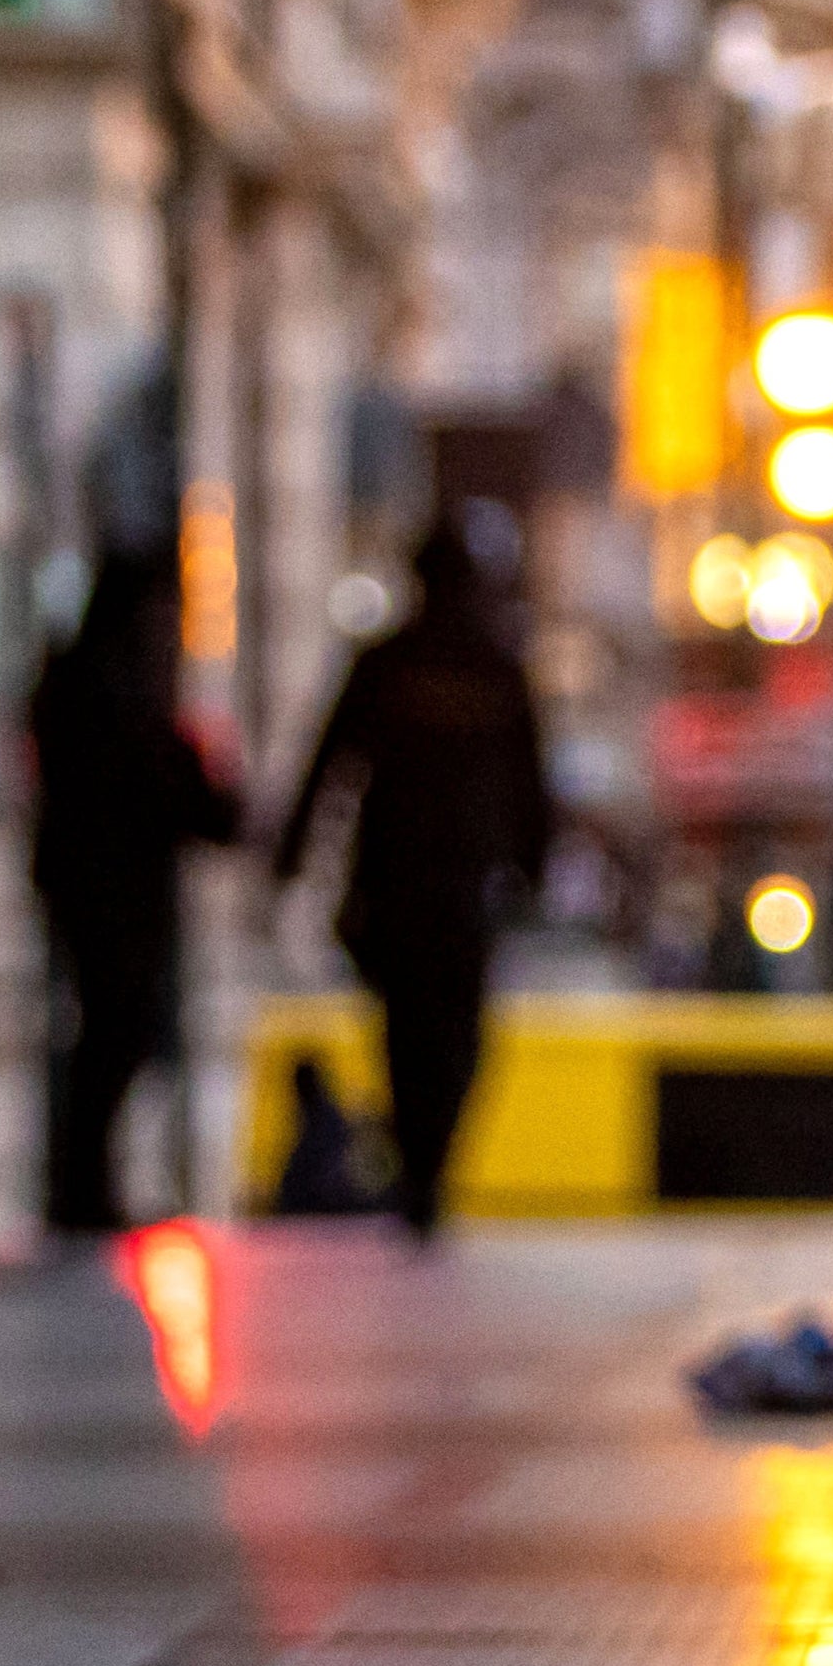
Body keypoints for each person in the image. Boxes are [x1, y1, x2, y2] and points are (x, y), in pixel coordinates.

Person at [271, 499, 556, 1241]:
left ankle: (422, 1166)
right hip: (444, 889)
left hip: (405, 887)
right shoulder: (490, 667)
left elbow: (327, 765)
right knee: (450, 1036)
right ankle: (426, 1168)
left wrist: (294, 855)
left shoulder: (396, 663)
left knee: (411, 1035)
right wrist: (531, 869)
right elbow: (531, 787)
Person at [26, 543, 243, 1242]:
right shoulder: (116, 689)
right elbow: (174, 791)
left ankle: (84, 1180)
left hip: (89, 888)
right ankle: (82, 1182)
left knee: (107, 1031)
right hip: (116, 892)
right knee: (114, 1031)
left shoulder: (77, 681)